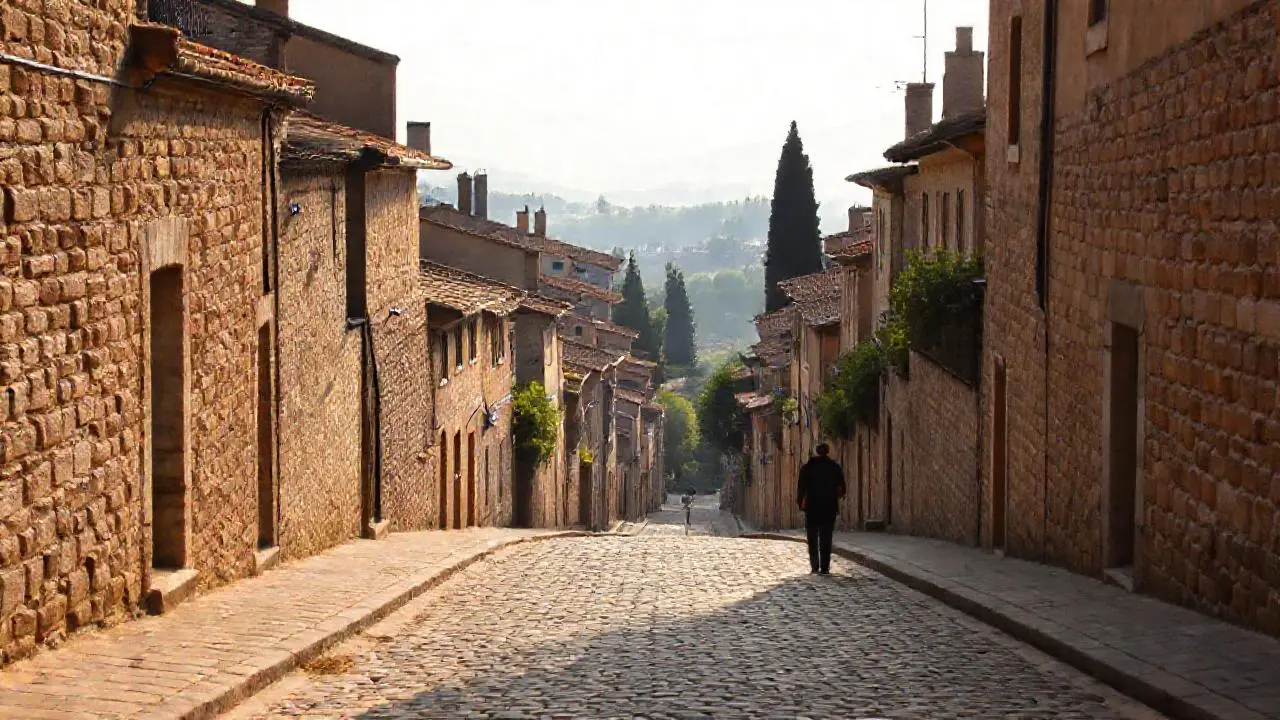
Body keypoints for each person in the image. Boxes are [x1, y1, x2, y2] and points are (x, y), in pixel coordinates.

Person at [796, 443, 846, 575]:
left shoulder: (808, 467)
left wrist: (800, 502)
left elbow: (801, 487)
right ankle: (824, 566)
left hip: (812, 508)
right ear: (827, 452)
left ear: (816, 452)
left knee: (812, 539)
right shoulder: (834, 467)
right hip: (829, 507)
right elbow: (842, 488)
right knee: (826, 538)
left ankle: (814, 565)